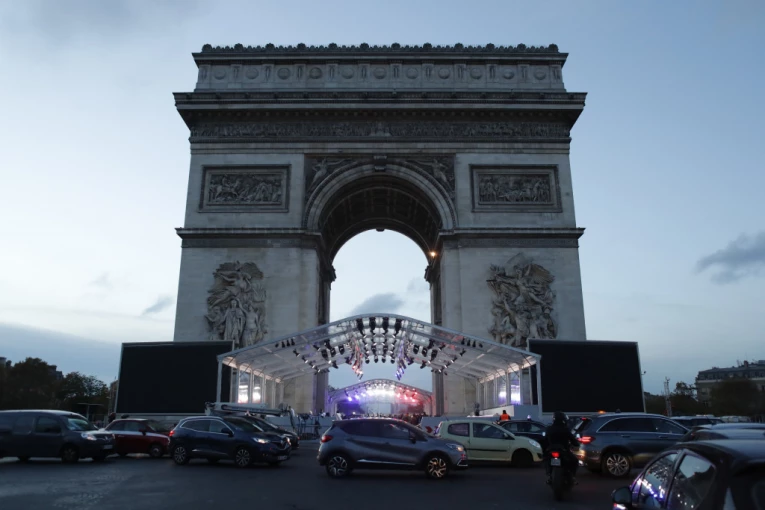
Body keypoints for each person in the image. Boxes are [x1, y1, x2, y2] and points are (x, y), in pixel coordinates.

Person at [543, 411, 580, 485]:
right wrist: (576, 443)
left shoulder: (549, 429)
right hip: (563, 450)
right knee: (575, 461)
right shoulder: (565, 429)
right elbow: (573, 440)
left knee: (546, 459)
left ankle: (549, 474)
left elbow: (545, 440)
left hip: (551, 449)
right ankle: (573, 477)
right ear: (562, 419)